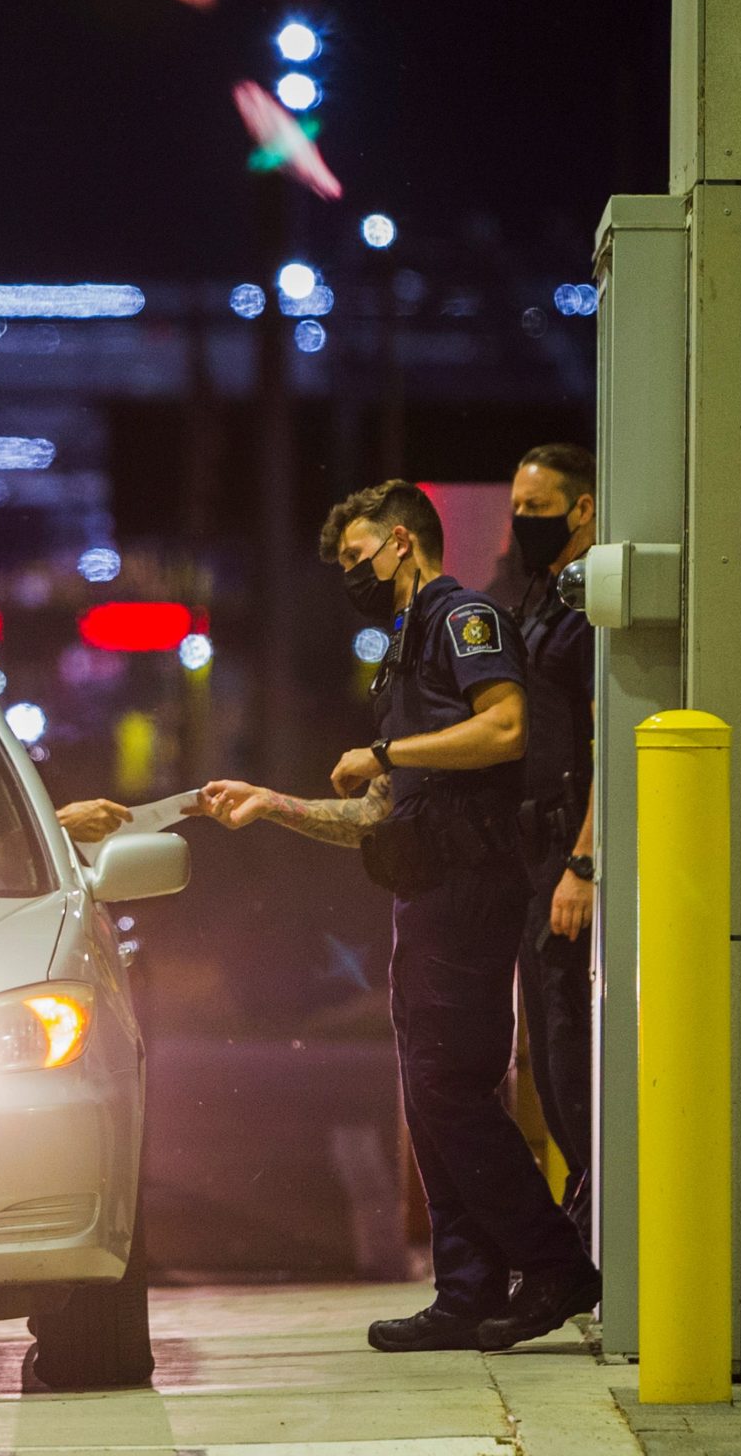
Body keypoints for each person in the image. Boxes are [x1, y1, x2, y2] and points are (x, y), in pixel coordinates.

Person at [193, 480, 599, 1352]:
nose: (353, 575)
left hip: (471, 888)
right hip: (424, 895)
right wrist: (273, 805)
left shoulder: (463, 622)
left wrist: (385, 749)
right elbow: (382, 812)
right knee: (427, 1095)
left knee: (451, 1091)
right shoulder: (406, 650)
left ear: (404, 543)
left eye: (358, 557)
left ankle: (553, 1262)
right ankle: (466, 1290)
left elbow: (507, 729)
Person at [508, 442, 597, 1244]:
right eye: (518, 508)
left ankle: (599, 1211)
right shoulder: (542, 595)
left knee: (569, 1041)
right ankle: (586, 1207)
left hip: (568, 852)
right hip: (537, 853)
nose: (521, 522)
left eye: (538, 509)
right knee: (546, 1037)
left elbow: (609, 744)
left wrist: (583, 862)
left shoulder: (590, 609)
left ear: (584, 508)